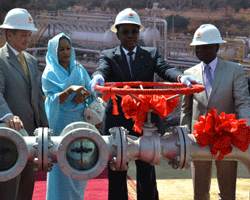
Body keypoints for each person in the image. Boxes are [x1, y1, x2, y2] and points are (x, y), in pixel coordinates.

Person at [89, 8, 201, 200]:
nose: (130, 36)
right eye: (125, 31)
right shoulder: (108, 55)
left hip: (145, 121)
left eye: (134, 31)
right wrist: (98, 77)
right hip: (118, 121)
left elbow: (165, 69)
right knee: (117, 170)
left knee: (147, 170)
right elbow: (102, 70)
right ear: (118, 33)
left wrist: (181, 77)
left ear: (139, 33)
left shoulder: (150, 54)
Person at [180, 24, 250, 200]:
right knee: (200, 191)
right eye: (198, 47)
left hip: (226, 138)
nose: (201, 50)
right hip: (198, 140)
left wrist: (245, 130)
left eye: (206, 46)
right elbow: (186, 109)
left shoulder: (235, 71)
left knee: (227, 191)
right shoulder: (189, 74)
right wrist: (184, 136)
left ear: (217, 47)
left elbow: (242, 103)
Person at [0, 8, 49, 200]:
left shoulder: (30, 60)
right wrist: (7, 116)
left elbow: (38, 98)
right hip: (10, 140)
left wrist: (45, 129)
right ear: (9, 34)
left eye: (29, 35)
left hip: (32, 139)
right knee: (8, 192)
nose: (28, 40)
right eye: (23, 35)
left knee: (26, 191)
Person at [42, 33, 95, 200]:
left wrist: (82, 96)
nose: (66, 53)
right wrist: (70, 91)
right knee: (60, 167)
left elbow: (91, 94)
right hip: (60, 125)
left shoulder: (79, 69)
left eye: (68, 48)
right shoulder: (49, 73)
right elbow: (51, 101)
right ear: (53, 52)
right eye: (61, 49)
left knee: (79, 165)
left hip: (79, 122)